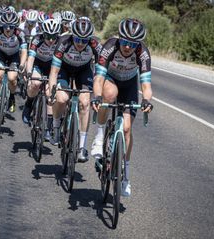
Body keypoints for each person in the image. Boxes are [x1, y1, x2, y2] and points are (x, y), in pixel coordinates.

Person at [91, 18, 153, 197]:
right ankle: (100, 136)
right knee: (109, 94)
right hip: (109, 79)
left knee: (126, 128)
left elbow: (146, 86)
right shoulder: (110, 46)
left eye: (132, 44)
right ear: (119, 39)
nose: (127, 47)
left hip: (129, 84)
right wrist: (97, 96)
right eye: (124, 42)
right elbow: (98, 79)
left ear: (138, 43)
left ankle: (126, 176)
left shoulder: (143, 53)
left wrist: (147, 100)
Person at [48, 17, 102, 162]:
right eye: (77, 39)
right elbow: (53, 72)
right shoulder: (63, 42)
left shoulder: (95, 45)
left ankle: (81, 147)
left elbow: (100, 73)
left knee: (85, 103)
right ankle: (56, 126)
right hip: (64, 69)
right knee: (62, 98)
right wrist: (53, 91)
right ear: (72, 36)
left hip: (83, 71)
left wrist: (97, 94)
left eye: (84, 41)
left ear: (89, 39)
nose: (80, 43)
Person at [22, 19, 61, 141]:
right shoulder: (36, 39)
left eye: (53, 36)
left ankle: (48, 128)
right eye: (47, 36)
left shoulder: (60, 42)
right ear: (43, 34)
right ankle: (28, 104)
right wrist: (29, 73)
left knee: (51, 94)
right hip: (38, 64)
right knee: (35, 83)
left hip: (52, 67)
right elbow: (31, 57)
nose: (50, 40)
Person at [0, 11, 28, 116]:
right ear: (2, 25)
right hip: (0, 54)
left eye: (11, 26)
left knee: (12, 78)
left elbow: (24, 52)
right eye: (5, 26)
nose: (8, 29)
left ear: (15, 26)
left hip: (14, 56)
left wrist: (22, 64)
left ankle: (11, 98)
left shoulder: (21, 34)